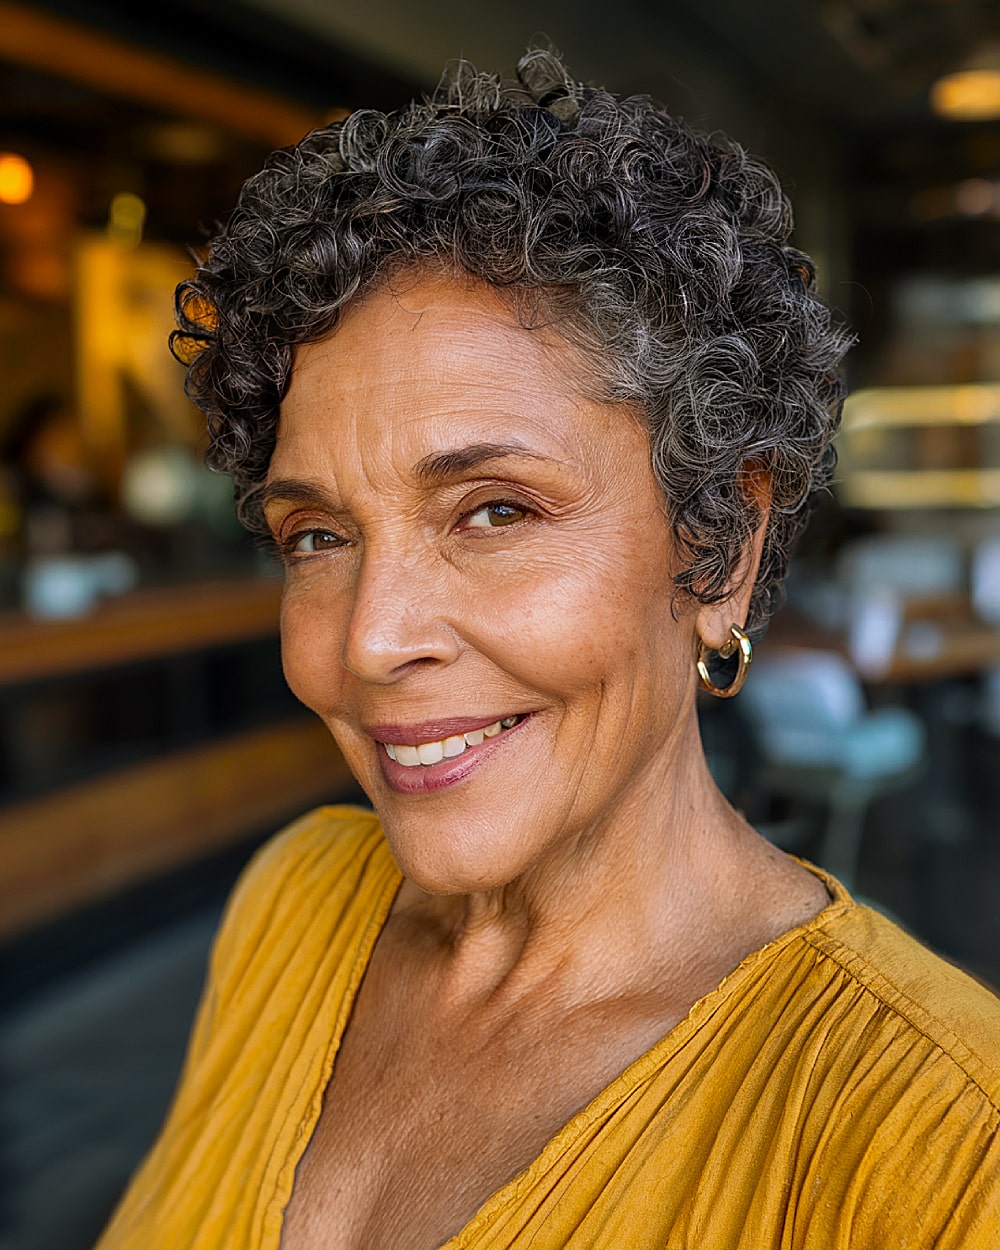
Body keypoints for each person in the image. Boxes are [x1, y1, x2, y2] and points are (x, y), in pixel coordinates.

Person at [96, 50, 999, 1250]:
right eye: (316, 533)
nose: (371, 638)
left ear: (720, 546)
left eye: (496, 511)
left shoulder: (939, 1146)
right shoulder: (294, 901)